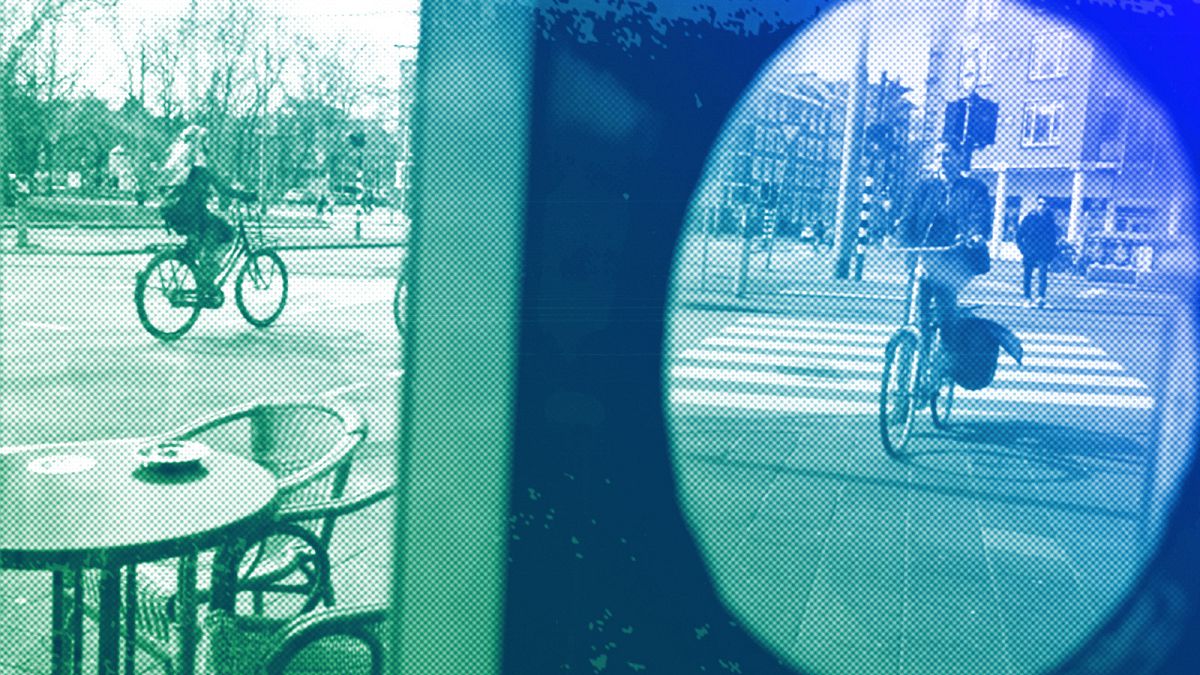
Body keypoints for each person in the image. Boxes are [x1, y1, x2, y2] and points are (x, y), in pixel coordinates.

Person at [898, 141, 993, 346]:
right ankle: (919, 349)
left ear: (960, 158)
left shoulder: (974, 188)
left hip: (957, 258)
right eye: (938, 155)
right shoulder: (923, 187)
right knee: (919, 306)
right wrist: (902, 241)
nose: (942, 159)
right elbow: (909, 217)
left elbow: (980, 216)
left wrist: (975, 235)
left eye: (948, 154)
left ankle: (947, 354)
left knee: (944, 305)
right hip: (924, 256)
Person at [159, 125, 256, 296]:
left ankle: (200, 269)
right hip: (195, 215)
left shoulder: (174, 166)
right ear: (200, 144)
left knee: (204, 239)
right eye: (206, 141)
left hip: (173, 214)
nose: (208, 144)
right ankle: (207, 278)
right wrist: (246, 195)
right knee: (227, 232)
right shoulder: (200, 168)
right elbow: (223, 189)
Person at [1016, 197, 1059, 308]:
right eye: (1040, 204)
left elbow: (1053, 237)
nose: (1042, 207)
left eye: (1044, 204)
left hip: (1044, 252)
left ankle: (1041, 298)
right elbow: (1019, 235)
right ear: (1036, 204)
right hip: (1030, 251)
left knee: (1043, 274)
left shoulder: (1050, 220)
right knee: (1027, 274)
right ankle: (1027, 298)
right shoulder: (1029, 218)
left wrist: (1051, 252)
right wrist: (1023, 249)